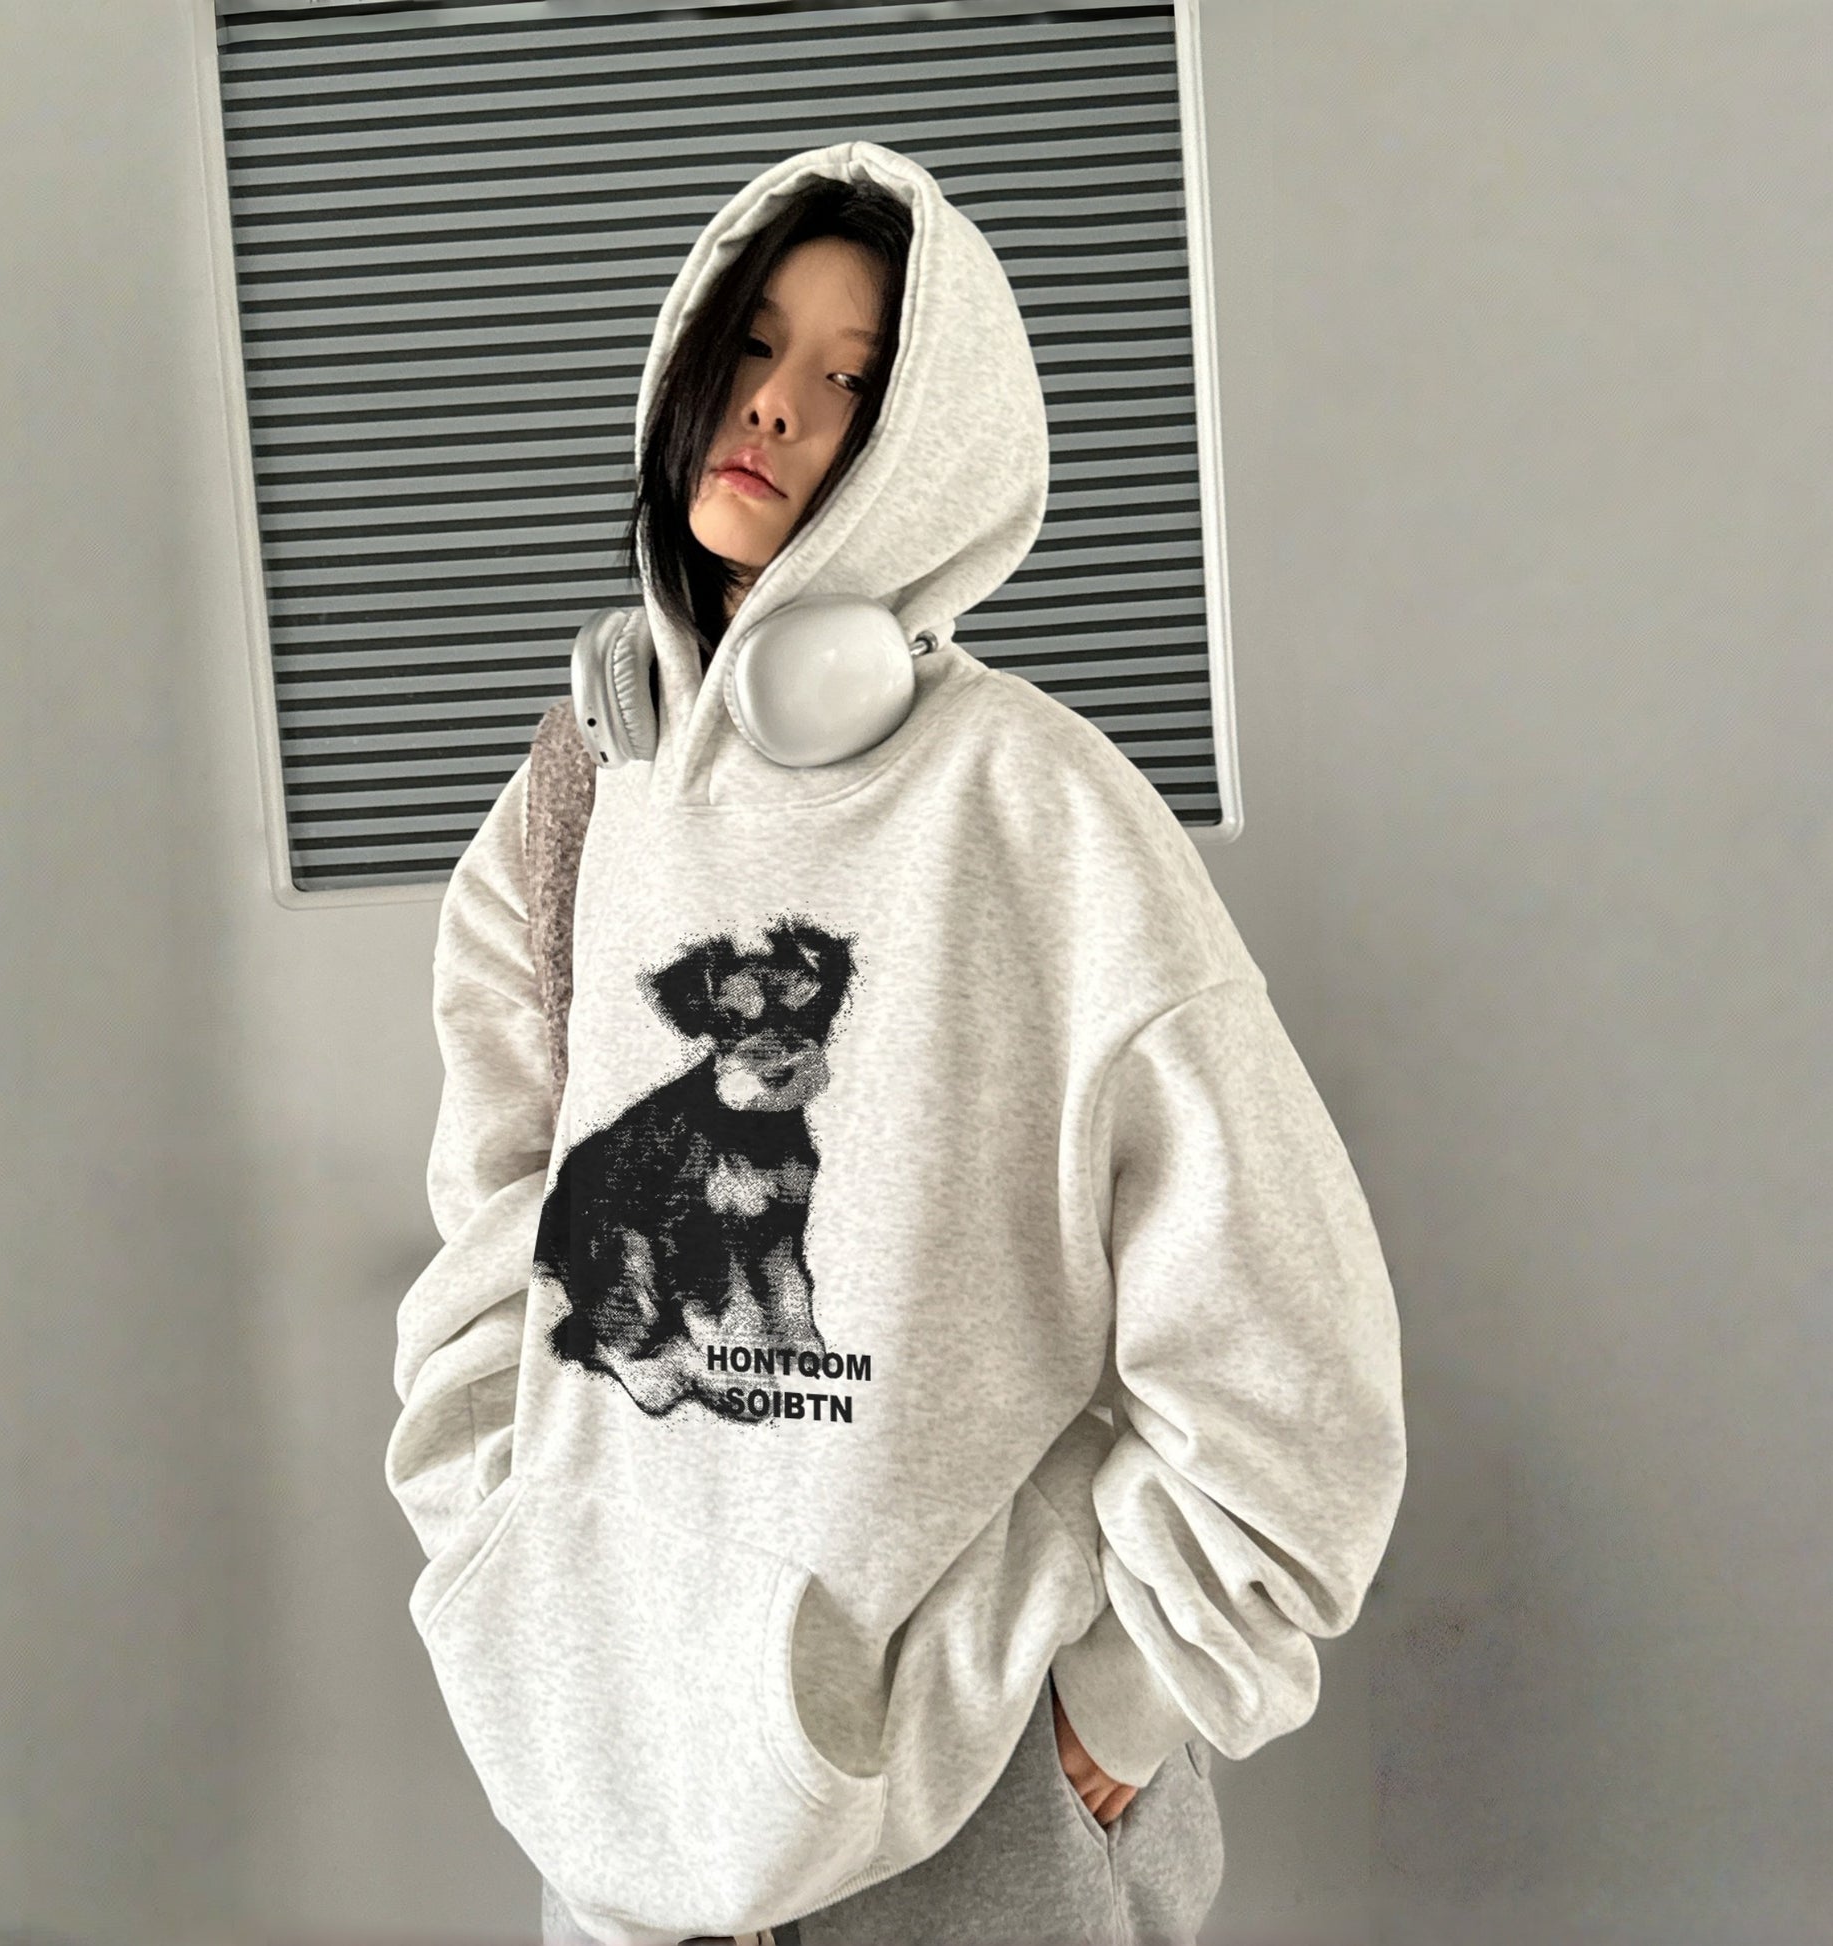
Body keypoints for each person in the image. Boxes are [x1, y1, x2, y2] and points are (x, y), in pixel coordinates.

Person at [386, 141, 1408, 1946]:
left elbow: (1285, 1344)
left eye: (850, 380)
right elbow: (489, 1257)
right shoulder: (563, 814)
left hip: (979, 1813)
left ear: (919, 449)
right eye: (752, 343)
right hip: (615, 1801)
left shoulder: (1034, 811)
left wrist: (1114, 1708)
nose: (775, 404)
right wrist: (513, 1582)